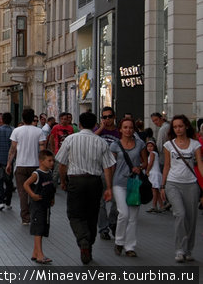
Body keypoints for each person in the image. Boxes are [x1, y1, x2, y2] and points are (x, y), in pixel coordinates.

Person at [55, 111, 115, 264]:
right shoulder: (100, 142)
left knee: (75, 214)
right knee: (92, 214)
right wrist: (109, 187)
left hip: (76, 180)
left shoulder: (70, 139)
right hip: (95, 181)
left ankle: (83, 241)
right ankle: (89, 244)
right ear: (95, 125)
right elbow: (108, 166)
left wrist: (63, 181)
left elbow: (62, 164)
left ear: (79, 124)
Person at [161, 114, 203, 262]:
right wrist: (162, 185)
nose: (178, 129)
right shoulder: (169, 145)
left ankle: (188, 250)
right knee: (180, 214)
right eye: (175, 127)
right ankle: (179, 250)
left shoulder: (195, 144)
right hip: (173, 183)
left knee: (191, 219)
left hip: (191, 184)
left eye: (180, 126)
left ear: (186, 126)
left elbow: (200, 165)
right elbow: (166, 166)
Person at [109, 118, 147, 257]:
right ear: (120, 129)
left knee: (133, 217)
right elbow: (111, 166)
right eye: (125, 127)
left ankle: (130, 246)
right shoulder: (115, 145)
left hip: (134, 183)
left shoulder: (140, 144)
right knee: (123, 214)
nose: (128, 130)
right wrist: (109, 185)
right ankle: (119, 242)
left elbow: (146, 162)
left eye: (130, 127)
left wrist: (140, 167)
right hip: (118, 183)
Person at [7, 108, 47, 225]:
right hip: (35, 166)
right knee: (34, 191)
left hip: (21, 165)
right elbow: (42, 149)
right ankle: (34, 213)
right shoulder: (39, 131)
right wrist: (44, 165)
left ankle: (25, 217)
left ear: (22, 118)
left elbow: (13, 149)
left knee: (22, 192)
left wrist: (9, 163)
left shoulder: (17, 131)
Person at [24, 150, 56, 264]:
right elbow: (26, 184)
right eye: (49, 161)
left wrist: (52, 198)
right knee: (39, 229)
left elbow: (51, 188)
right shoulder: (37, 174)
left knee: (42, 228)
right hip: (37, 206)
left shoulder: (49, 173)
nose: (52, 163)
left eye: (53, 160)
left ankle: (35, 252)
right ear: (41, 161)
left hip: (45, 205)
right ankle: (40, 255)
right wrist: (32, 195)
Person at [95, 106, 120, 240]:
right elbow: (90, 139)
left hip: (116, 171)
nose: (107, 119)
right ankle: (103, 229)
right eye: (104, 117)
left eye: (110, 116)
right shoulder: (98, 132)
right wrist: (101, 128)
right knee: (100, 203)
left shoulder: (120, 132)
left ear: (114, 117)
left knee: (117, 202)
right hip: (100, 171)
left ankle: (113, 222)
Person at [145, 139, 163, 213]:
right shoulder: (155, 153)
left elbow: (151, 163)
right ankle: (161, 205)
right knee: (156, 191)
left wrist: (147, 171)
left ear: (154, 147)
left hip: (154, 173)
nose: (149, 148)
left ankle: (154, 206)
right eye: (148, 146)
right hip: (156, 173)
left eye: (151, 146)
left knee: (154, 191)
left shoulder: (152, 153)